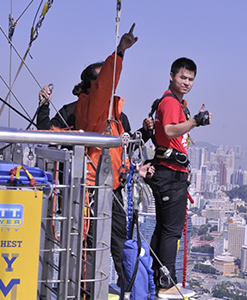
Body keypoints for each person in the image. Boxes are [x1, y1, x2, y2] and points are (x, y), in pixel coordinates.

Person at [72, 23, 155, 293]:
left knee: (119, 243)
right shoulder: (89, 108)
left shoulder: (114, 116)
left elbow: (122, 151)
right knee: (89, 244)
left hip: (115, 187)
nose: (107, 88)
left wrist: (136, 165)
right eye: (100, 84)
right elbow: (104, 86)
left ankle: (127, 291)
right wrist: (119, 53)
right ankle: (86, 292)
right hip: (94, 189)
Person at [147, 57, 212, 297]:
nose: (186, 82)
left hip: (168, 171)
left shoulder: (171, 102)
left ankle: (158, 278)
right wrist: (195, 121)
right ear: (172, 75)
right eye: (183, 77)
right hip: (171, 174)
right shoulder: (171, 102)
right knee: (171, 231)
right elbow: (169, 130)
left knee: (164, 229)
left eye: (191, 79)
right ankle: (166, 283)